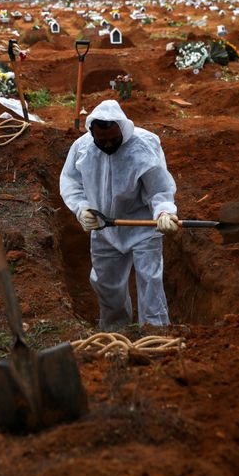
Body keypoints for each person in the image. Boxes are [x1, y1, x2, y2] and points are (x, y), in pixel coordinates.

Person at [60, 99, 180, 330]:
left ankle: (154, 332)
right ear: (91, 132)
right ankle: (116, 329)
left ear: (122, 130)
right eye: (101, 140)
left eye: (113, 140)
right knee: (106, 284)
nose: (107, 145)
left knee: (150, 281)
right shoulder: (83, 148)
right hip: (104, 226)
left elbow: (159, 189)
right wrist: (82, 208)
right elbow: (71, 182)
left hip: (143, 225)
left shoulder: (143, 146)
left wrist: (164, 212)